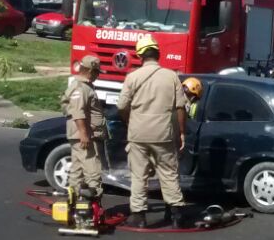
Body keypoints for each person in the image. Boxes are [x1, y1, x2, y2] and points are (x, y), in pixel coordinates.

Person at [116, 34, 188, 228]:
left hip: (138, 134)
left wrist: (129, 121)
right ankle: (176, 215)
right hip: (164, 133)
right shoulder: (171, 76)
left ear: (140, 56)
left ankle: (139, 217)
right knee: (168, 174)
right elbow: (181, 107)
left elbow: (121, 106)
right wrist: (182, 132)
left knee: (139, 176)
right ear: (158, 54)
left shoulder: (132, 77)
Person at [61, 55, 107, 228]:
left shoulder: (82, 87)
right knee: (92, 171)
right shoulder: (81, 88)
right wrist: (84, 134)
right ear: (89, 71)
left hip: (82, 135)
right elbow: (78, 112)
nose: (98, 76)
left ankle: (74, 210)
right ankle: (91, 210)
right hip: (85, 136)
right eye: (96, 72)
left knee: (77, 172)